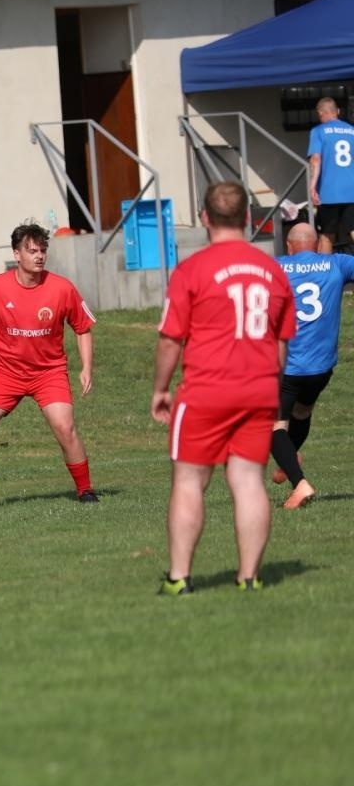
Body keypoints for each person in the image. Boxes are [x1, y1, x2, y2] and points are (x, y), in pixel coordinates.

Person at [152, 181, 296, 595]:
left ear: (204, 218)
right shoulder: (273, 271)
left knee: (188, 481)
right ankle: (248, 577)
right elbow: (282, 345)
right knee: (249, 480)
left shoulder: (192, 270)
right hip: (259, 389)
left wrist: (160, 389)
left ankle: (180, 578)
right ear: (249, 218)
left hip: (205, 390)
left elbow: (169, 339)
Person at [0, 223, 95, 510]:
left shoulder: (62, 288)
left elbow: (82, 328)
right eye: (31, 250)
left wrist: (86, 367)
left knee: (65, 427)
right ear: (16, 254)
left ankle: (85, 491)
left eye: (43, 250)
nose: (39, 256)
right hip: (4, 373)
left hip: (48, 373)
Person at [267, 221, 354, 509]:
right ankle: (288, 459)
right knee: (302, 413)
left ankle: (300, 484)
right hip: (321, 369)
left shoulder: (275, 267)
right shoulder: (338, 264)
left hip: (288, 367)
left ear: (289, 247)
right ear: (317, 246)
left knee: (272, 426)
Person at [307, 97, 354, 254]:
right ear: (338, 111)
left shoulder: (318, 131)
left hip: (329, 192)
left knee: (327, 235)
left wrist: (312, 186)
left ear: (320, 114)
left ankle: (325, 273)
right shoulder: (352, 130)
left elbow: (315, 159)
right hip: (352, 190)